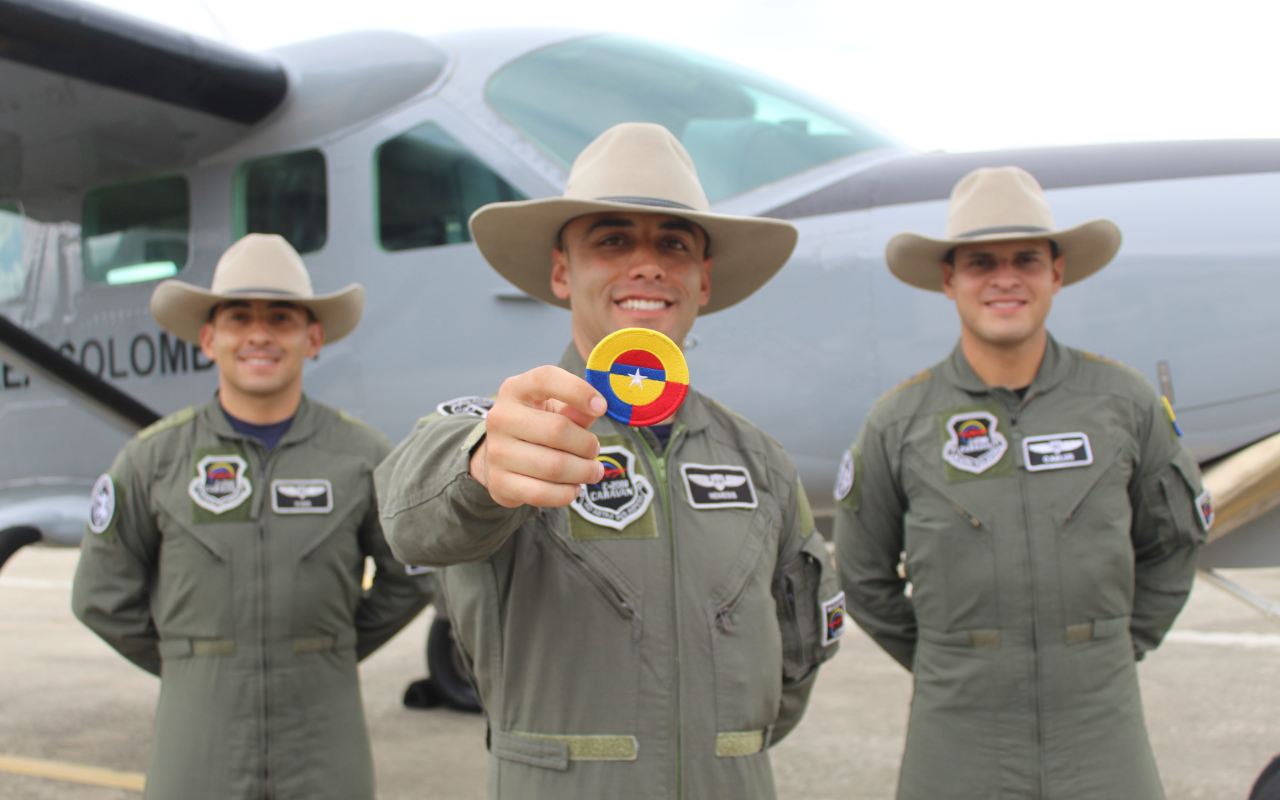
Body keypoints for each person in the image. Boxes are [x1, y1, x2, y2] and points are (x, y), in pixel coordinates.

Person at [375, 123, 844, 800]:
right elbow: (411, 518)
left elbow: (797, 655)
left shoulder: (761, 463)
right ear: (563, 273)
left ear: (703, 280)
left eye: (674, 243)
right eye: (613, 240)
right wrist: (482, 467)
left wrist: (713, 751)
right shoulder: (505, 432)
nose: (647, 264)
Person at [834, 166, 1210, 799]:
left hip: (1101, 727)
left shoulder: (1122, 403)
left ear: (1056, 273)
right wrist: (953, 661)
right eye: (981, 262)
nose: (1004, 278)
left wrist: (1111, 647)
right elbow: (863, 576)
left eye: (1026, 259)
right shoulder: (900, 421)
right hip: (957, 736)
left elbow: (1174, 540)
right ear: (949, 280)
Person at [72, 234, 434, 800]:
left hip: (325, 744)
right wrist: (197, 663)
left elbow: (411, 571)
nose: (260, 334)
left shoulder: (362, 455)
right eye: (239, 317)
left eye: (282, 318)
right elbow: (101, 594)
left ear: (312, 339)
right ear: (208, 338)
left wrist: (327, 649)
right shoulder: (151, 459)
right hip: (197, 747)